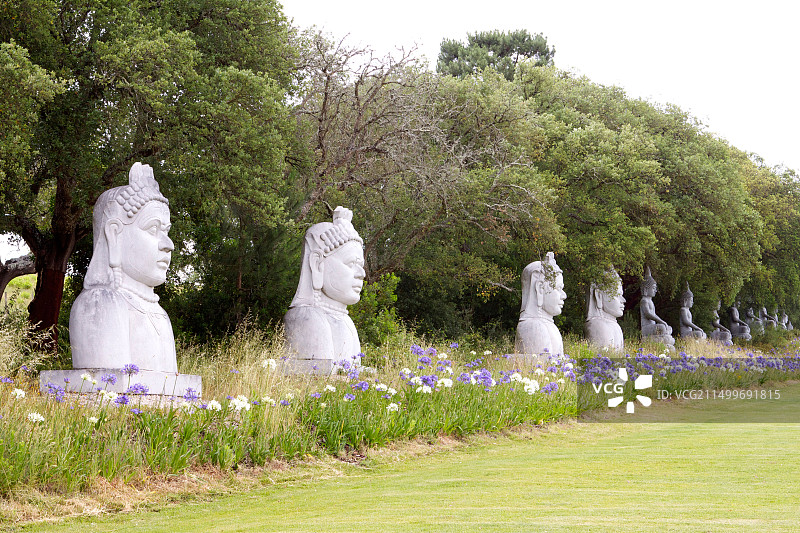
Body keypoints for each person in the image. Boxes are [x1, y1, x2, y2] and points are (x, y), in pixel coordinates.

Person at [70, 163, 177, 372]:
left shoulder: (160, 314)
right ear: (114, 234)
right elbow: (112, 392)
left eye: (166, 231)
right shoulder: (100, 304)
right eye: (153, 228)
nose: (168, 244)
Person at [284, 207, 365, 368]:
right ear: (317, 264)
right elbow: (323, 374)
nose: (361, 273)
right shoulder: (307, 317)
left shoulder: (346, 321)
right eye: (351, 263)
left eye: (361, 265)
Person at [584, 268, 625, 350]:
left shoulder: (615, 326)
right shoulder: (597, 326)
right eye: (617, 295)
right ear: (598, 296)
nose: (623, 300)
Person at [639, 266, 675, 347]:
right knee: (662, 327)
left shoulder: (650, 301)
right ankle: (664, 339)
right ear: (646, 289)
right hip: (646, 328)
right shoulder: (644, 300)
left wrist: (662, 322)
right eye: (653, 288)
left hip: (653, 326)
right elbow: (648, 314)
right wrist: (661, 321)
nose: (655, 291)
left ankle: (665, 339)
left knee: (669, 328)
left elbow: (654, 314)